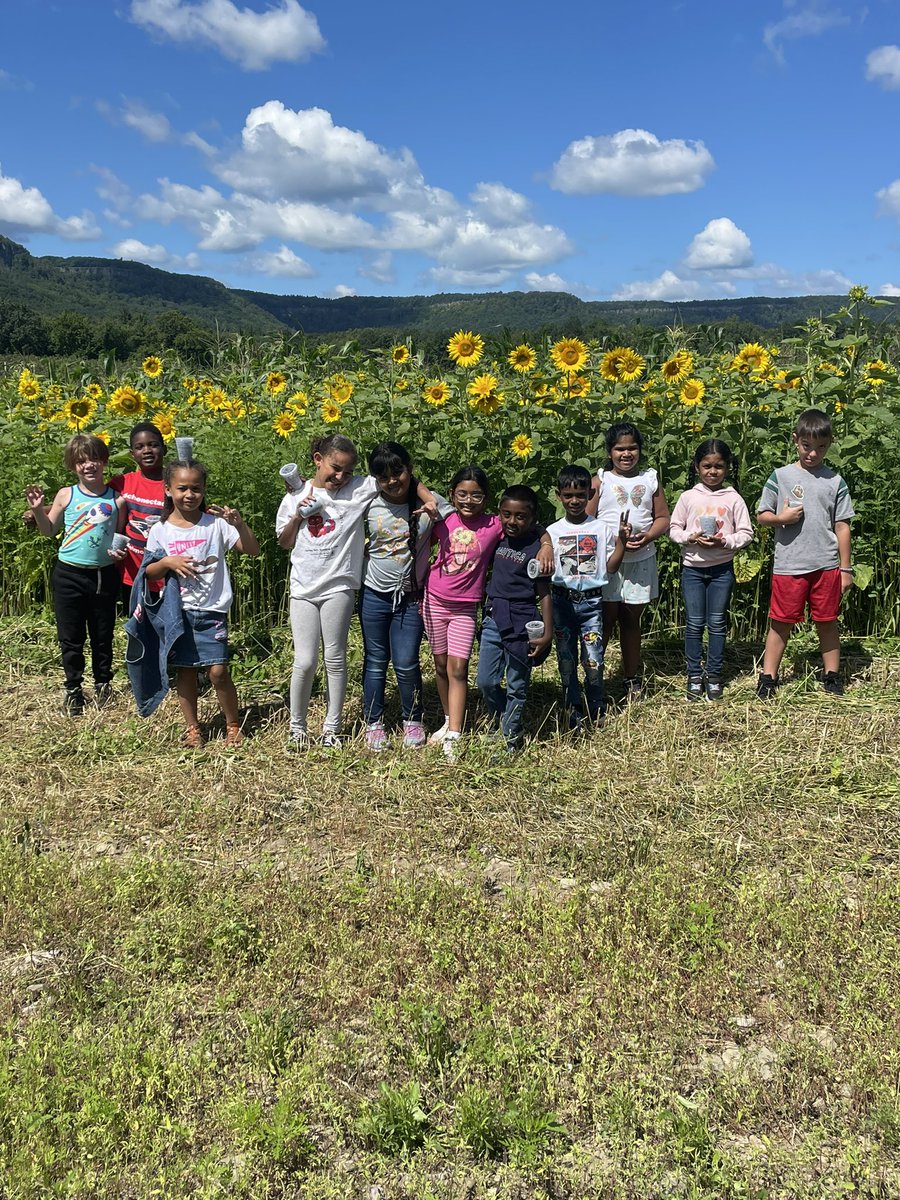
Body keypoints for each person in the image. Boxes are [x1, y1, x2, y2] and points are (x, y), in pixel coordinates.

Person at [276, 433, 436, 749]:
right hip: (303, 588)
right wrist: (298, 514)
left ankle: (332, 729)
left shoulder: (357, 490)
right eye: (335, 468)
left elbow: (397, 475)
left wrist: (427, 496)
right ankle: (298, 728)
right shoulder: (295, 496)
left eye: (348, 471)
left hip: (340, 585)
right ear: (317, 459)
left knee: (335, 658)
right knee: (305, 661)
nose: (341, 477)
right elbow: (284, 541)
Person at [422, 466, 552, 761]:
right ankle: (459, 720)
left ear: (487, 498)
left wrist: (546, 544)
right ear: (453, 494)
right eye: (462, 494)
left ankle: (493, 732)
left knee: (466, 670)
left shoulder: (496, 526)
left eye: (476, 495)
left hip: (474, 607)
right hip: (442, 601)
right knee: (455, 670)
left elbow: (535, 525)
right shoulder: (445, 519)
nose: (468, 500)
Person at [143, 460, 259, 747]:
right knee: (186, 670)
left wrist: (240, 524)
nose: (189, 494)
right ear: (168, 490)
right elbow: (148, 572)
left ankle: (233, 724)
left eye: (196, 488)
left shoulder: (216, 525)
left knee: (218, 671)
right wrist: (167, 562)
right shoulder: (161, 530)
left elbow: (253, 551)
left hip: (212, 610)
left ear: (204, 489)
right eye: (182, 488)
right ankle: (193, 728)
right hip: (178, 611)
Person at [756, 408, 853, 698]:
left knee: (827, 621)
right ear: (795, 440)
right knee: (781, 622)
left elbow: (842, 526)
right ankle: (768, 677)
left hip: (826, 564)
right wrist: (781, 519)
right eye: (806, 446)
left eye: (821, 447)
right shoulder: (780, 476)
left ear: (830, 444)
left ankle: (832, 675)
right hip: (790, 564)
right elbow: (762, 515)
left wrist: (845, 569)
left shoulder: (835, 481)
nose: (813, 453)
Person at [25, 433, 123, 715]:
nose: (88, 465)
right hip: (68, 573)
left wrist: (120, 553)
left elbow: (119, 537)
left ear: (104, 462)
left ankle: (103, 684)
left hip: (102, 575)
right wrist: (37, 510)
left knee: (102, 634)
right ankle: (74, 689)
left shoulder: (117, 501)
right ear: (73, 466)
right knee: (71, 635)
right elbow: (49, 530)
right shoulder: (66, 494)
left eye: (93, 459)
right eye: (81, 461)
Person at [360, 441, 446, 751]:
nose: (393, 481)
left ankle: (413, 719)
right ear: (375, 480)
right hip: (373, 594)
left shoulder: (432, 503)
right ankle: (373, 721)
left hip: (410, 597)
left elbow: (466, 518)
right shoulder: (368, 501)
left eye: (399, 472)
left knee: (407, 662)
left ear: (409, 469)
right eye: (384, 477)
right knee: (375, 660)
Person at [668, 439, 754, 701]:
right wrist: (690, 537)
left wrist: (725, 541)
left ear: (727, 468)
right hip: (692, 568)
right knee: (694, 623)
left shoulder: (733, 498)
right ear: (697, 467)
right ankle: (694, 675)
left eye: (718, 466)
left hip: (722, 569)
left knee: (717, 623)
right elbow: (673, 530)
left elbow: (746, 533)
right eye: (707, 466)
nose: (712, 471)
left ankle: (714, 675)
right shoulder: (688, 497)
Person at [589, 423, 669, 698]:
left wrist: (647, 536)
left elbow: (663, 518)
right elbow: (587, 521)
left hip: (641, 558)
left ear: (640, 450)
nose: (626, 454)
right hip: (608, 560)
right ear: (609, 452)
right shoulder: (601, 480)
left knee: (632, 618)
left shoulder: (650, 479)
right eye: (619, 449)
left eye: (632, 448)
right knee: (605, 618)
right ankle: (595, 675)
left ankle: (630, 676)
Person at [548, 465, 630, 729]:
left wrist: (622, 543)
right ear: (558, 495)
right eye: (568, 496)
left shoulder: (601, 528)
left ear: (590, 494)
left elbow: (612, 567)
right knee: (566, 658)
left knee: (594, 658)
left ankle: (596, 705)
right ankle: (572, 706)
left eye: (580, 495)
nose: (574, 501)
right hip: (561, 601)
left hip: (592, 602)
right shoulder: (551, 532)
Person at [475, 485, 553, 753]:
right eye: (506, 514)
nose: (512, 521)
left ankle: (509, 737)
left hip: (522, 620)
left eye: (520, 516)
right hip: (493, 617)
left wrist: (547, 633)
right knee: (485, 681)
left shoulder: (536, 548)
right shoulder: (497, 537)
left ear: (532, 518)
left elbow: (544, 594)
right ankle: (501, 719)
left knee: (517, 684)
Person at [108, 422, 166, 611]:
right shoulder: (123, 482)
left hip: (168, 574)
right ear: (132, 454)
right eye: (139, 447)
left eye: (153, 445)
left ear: (164, 449)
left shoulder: (177, 482)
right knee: (137, 629)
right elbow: (93, 500)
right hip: (132, 573)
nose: (147, 450)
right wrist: (44, 510)